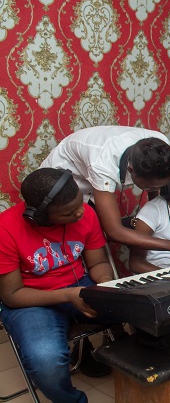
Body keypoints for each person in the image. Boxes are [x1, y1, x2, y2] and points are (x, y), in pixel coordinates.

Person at [0, 168, 119, 403]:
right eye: (68, 213)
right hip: (31, 302)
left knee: (145, 309)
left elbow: (98, 263)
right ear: (38, 216)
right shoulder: (5, 229)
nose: (79, 213)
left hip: (79, 287)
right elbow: (12, 295)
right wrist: (68, 295)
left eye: (79, 204)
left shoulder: (85, 212)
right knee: (46, 360)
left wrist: (106, 284)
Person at [41, 126, 170, 264]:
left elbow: (155, 190)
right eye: (150, 187)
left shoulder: (161, 144)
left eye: (162, 185)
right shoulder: (103, 164)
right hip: (64, 181)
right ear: (131, 170)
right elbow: (114, 231)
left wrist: (154, 213)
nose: (156, 189)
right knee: (90, 236)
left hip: (92, 169)